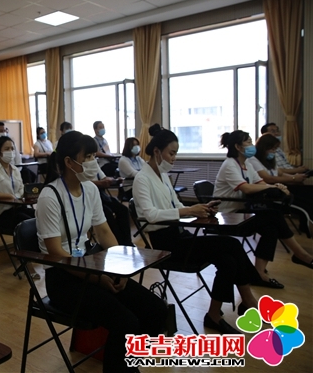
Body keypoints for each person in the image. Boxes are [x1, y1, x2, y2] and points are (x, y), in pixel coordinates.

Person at [37, 130, 166, 372]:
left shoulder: (90, 189)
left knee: (156, 310)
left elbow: (104, 232)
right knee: (126, 322)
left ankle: (129, 364)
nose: (93, 162)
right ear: (69, 162)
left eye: (93, 156)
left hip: (91, 266)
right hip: (63, 278)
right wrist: (97, 278)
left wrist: (121, 269)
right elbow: (55, 253)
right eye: (87, 157)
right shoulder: (50, 196)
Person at [133, 124, 261, 335]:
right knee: (231, 243)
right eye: (171, 153)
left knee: (228, 261)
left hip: (180, 235)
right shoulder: (142, 179)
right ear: (157, 151)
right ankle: (249, 300)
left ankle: (214, 315)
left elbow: (177, 207)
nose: (174, 158)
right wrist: (188, 211)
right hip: (165, 244)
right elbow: (151, 215)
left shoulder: (163, 176)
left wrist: (201, 209)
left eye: (176, 153)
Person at [214, 130, 313, 281]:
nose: (252, 145)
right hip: (227, 215)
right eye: (248, 142)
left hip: (242, 211)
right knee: (274, 216)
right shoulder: (230, 165)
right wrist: (272, 187)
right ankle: (301, 255)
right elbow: (247, 188)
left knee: (271, 228)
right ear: (238, 147)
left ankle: (259, 273)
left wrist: (278, 187)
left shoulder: (246, 163)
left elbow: (261, 183)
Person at [252, 133, 313, 237]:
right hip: (270, 193)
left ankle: (305, 226)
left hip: (280, 187)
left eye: (275, 149)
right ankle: (308, 228)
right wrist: (293, 178)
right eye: (272, 149)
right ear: (264, 147)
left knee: (309, 193)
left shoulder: (269, 160)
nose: (274, 151)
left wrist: (295, 176)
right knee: (305, 205)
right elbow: (268, 179)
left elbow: (279, 173)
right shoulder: (253, 160)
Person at [0, 136, 35, 229]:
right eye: (7, 149)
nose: (11, 152)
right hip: (4, 213)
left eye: (12, 149)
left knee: (38, 215)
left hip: (19, 207)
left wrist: (18, 196)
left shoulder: (15, 169)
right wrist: (10, 196)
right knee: (28, 222)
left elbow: (21, 188)